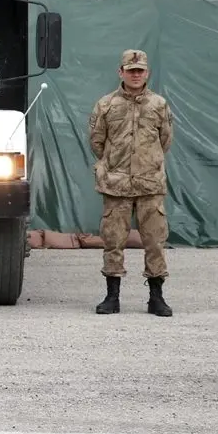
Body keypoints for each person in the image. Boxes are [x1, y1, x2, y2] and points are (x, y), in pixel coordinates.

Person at [88, 49, 175, 317]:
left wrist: (146, 163)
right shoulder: (106, 105)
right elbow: (97, 142)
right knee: (113, 241)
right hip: (117, 185)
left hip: (150, 185)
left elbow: (165, 141)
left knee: (155, 241)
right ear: (121, 72)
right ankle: (112, 297)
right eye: (130, 70)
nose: (135, 75)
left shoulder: (159, 105)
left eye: (140, 70)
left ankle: (156, 297)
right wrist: (115, 165)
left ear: (147, 73)